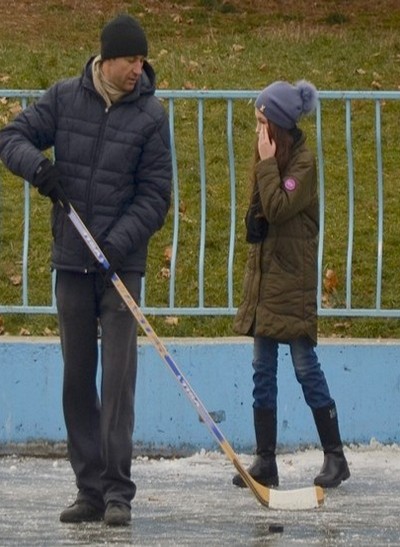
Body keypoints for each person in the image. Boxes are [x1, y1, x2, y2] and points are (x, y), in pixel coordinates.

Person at [0, 14, 171, 525]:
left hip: (120, 267)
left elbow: (156, 195)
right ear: (107, 58)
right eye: (131, 60)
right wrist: (39, 169)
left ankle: (118, 492)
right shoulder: (63, 97)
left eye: (142, 61)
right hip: (72, 262)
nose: (138, 70)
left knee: (117, 382)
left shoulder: (151, 116)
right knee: (78, 378)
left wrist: (116, 245)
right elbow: (11, 137)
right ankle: (89, 490)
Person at [232, 80, 350, 490]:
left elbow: (280, 207)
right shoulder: (268, 156)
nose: (258, 131)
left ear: (279, 127)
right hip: (265, 278)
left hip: (292, 281)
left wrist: (266, 166)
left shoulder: (303, 163)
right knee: (261, 371)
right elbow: (261, 208)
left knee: (304, 368)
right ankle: (265, 460)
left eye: (262, 123)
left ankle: (335, 457)